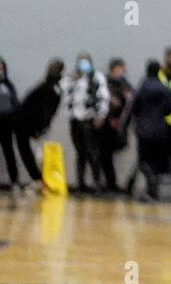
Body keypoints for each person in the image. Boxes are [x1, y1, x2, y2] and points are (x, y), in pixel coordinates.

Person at [126, 61, 171, 200]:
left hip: (143, 129)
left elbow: (134, 107)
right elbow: (170, 109)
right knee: (155, 161)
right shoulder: (165, 88)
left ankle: (150, 186)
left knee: (143, 160)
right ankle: (152, 191)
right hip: (160, 129)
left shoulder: (141, 87)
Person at [12, 58, 64, 187]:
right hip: (24, 122)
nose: (51, 70)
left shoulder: (54, 88)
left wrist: (42, 127)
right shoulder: (45, 85)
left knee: (37, 153)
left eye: (54, 68)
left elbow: (49, 111)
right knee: (27, 151)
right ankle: (38, 178)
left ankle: (41, 179)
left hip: (33, 124)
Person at [63, 52, 109, 193]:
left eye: (86, 62)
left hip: (90, 119)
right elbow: (65, 95)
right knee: (80, 152)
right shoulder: (71, 78)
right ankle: (80, 184)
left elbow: (103, 97)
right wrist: (73, 80)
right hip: (75, 119)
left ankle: (96, 183)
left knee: (93, 152)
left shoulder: (97, 77)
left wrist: (101, 115)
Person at [98, 58, 132, 193]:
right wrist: (110, 100)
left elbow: (130, 99)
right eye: (120, 69)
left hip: (119, 126)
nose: (122, 72)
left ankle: (112, 183)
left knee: (112, 154)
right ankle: (107, 183)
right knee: (104, 155)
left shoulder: (125, 84)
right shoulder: (104, 83)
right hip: (105, 126)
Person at [0, 58, 22, 190]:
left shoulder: (8, 85)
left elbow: (15, 103)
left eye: (1, 68)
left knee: (9, 151)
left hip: (6, 121)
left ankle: (15, 181)